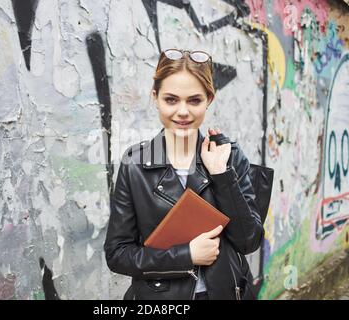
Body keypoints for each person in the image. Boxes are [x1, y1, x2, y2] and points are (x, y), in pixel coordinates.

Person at [104, 48, 264, 300]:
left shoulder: (229, 155)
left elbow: (249, 241)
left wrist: (222, 175)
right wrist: (186, 255)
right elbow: (118, 254)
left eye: (194, 100)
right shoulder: (134, 164)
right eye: (171, 99)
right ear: (155, 97)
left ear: (209, 99)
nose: (182, 111)